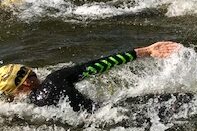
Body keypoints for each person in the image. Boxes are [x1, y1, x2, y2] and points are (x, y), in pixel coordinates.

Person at [0, 41, 181, 112]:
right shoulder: (55, 79)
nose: (32, 72)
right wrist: (145, 51)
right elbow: (97, 66)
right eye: (29, 72)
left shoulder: (29, 107)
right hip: (116, 112)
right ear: (26, 83)